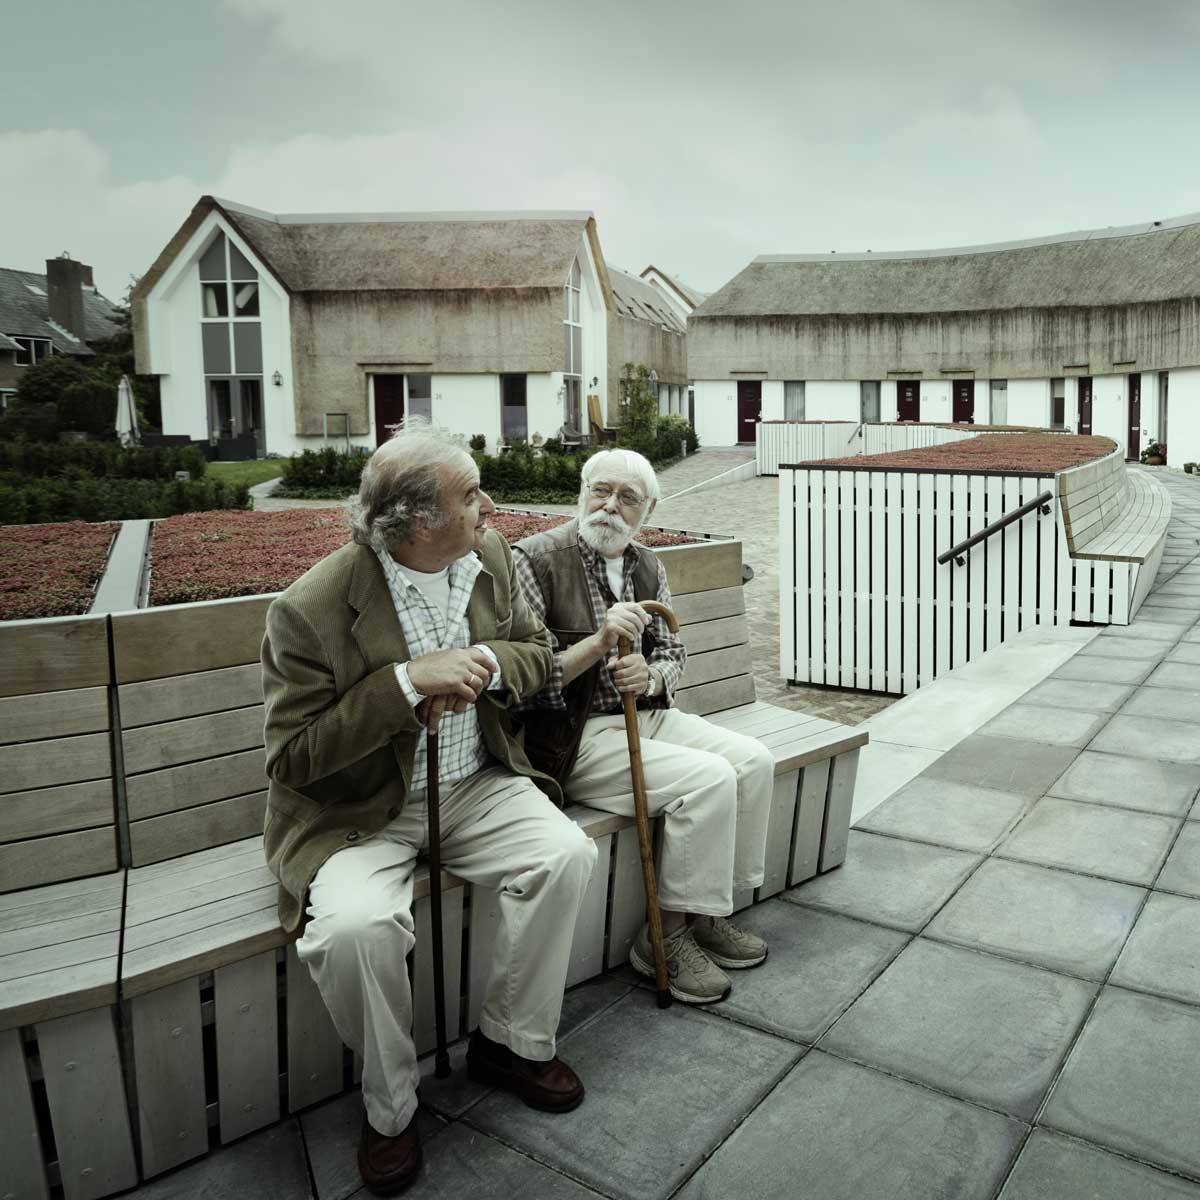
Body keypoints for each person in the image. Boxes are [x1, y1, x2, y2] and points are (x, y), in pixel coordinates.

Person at [261, 423, 597, 1195]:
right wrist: (406, 684)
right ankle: (391, 1108)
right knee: (356, 930)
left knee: (565, 854)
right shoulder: (309, 609)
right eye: (470, 492)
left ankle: (510, 1042)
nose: (489, 504)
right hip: (358, 814)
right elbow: (291, 758)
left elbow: (536, 653)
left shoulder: (491, 557)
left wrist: (481, 663)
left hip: (475, 785)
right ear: (417, 521)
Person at [513, 448, 775, 1006]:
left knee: (754, 760)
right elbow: (526, 683)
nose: (610, 506)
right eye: (600, 490)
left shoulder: (647, 565)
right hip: (570, 737)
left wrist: (650, 676)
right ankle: (663, 939)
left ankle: (705, 913)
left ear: (648, 509)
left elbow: (674, 650)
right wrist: (599, 646)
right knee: (708, 780)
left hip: (647, 715)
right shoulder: (534, 561)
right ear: (580, 494)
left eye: (628, 497)